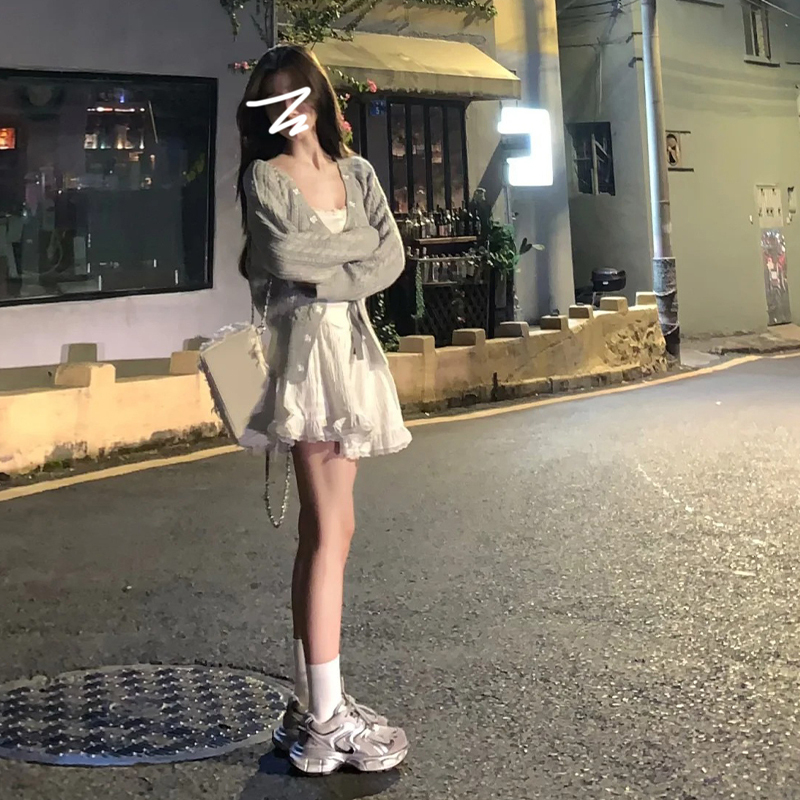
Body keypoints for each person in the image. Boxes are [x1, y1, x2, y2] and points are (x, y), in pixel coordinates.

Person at [235, 44, 412, 776]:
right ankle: (327, 720)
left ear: (317, 97)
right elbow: (284, 259)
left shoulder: (358, 172)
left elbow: (390, 255)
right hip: (307, 362)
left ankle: (314, 701)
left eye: (299, 93)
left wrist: (336, 267)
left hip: (352, 351)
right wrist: (350, 256)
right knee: (331, 528)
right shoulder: (266, 176)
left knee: (328, 529)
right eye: (275, 98)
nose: (291, 109)